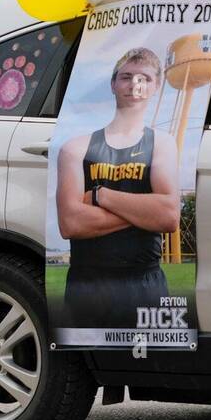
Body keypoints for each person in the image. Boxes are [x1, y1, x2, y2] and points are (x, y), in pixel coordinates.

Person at [55, 47, 180, 329]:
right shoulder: (75, 148)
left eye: (145, 78)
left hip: (144, 282)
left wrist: (101, 195)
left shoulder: (162, 144)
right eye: (126, 76)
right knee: (85, 366)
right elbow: (70, 223)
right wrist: (143, 213)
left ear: (156, 86)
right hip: (88, 284)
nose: (135, 84)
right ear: (113, 84)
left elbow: (168, 218)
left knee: (151, 368)